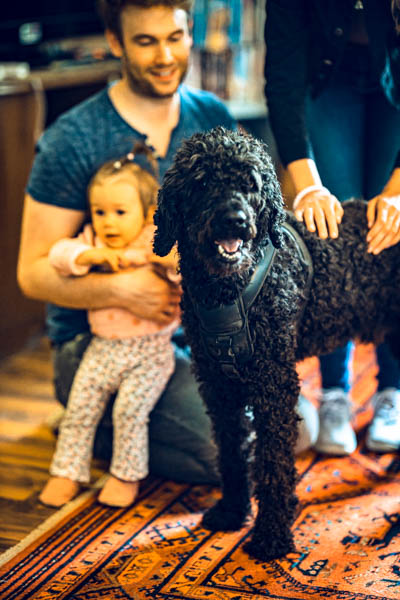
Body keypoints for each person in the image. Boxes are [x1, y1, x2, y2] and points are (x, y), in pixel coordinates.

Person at [17, 0, 317, 491]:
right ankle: (93, 418)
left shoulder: (211, 115)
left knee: (298, 427)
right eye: (146, 41)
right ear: (115, 42)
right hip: (100, 343)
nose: (164, 56)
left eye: (174, 38)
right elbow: (31, 273)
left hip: (200, 333)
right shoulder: (71, 139)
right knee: (227, 454)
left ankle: (118, 421)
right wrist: (121, 290)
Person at [265, 0, 400, 456]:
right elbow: (282, 77)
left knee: (390, 230)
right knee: (331, 233)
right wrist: (307, 187)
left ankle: (393, 391)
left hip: (394, 80)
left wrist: (399, 188)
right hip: (327, 77)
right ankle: (335, 393)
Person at [39, 144, 183, 508]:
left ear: (146, 213)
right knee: (80, 409)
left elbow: (186, 271)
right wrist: (89, 255)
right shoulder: (94, 239)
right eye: (99, 212)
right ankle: (68, 471)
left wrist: (169, 262)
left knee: (129, 412)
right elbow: (58, 255)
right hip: (102, 348)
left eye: (120, 212)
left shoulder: (155, 239)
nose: (108, 222)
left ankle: (125, 475)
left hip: (150, 352)